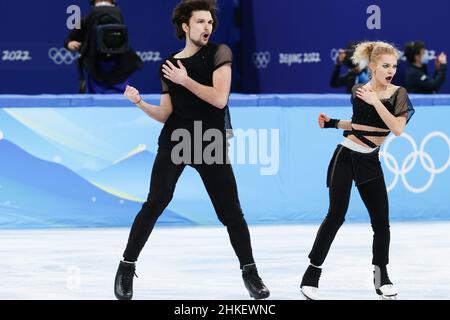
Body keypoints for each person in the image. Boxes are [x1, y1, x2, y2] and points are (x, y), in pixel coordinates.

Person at [113, 0, 269, 300]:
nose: (206, 27)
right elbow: (165, 114)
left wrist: (185, 80)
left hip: (209, 141)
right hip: (175, 140)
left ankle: (251, 273)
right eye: (200, 22)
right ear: (186, 26)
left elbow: (219, 99)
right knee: (155, 202)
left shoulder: (219, 53)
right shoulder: (169, 64)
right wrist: (140, 103)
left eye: (209, 22)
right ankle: (126, 267)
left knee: (231, 213)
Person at [300, 41, 415, 300]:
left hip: (370, 161)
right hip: (345, 156)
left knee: (381, 223)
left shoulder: (399, 94)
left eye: (394, 66)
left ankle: (381, 276)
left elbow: (396, 129)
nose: (391, 70)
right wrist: (332, 123)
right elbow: (361, 125)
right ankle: (311, 275)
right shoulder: (359, 90)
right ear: (372, 66)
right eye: (385, 66)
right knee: (335, 216)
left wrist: (377, 102)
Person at [65, 0, 142, 93]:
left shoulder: (118, 17)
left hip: (119, 69)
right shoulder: (83, 21)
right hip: (95, 69)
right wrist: (70, 43)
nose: (103, 6)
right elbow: (69, 40)